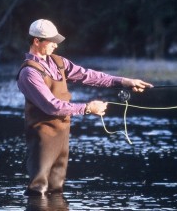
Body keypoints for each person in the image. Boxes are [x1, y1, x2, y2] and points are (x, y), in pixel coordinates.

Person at [17, 19, 153, 196]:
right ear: (36, 41)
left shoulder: (58, 63)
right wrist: (88, 108)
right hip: (42, 136)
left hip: (62, 133)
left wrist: (123, 82)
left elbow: (89, 76)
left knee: (56, 188)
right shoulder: (29, 73)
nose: (55, 46)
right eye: (51, 42)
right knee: (38, 188)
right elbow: (52, 106)